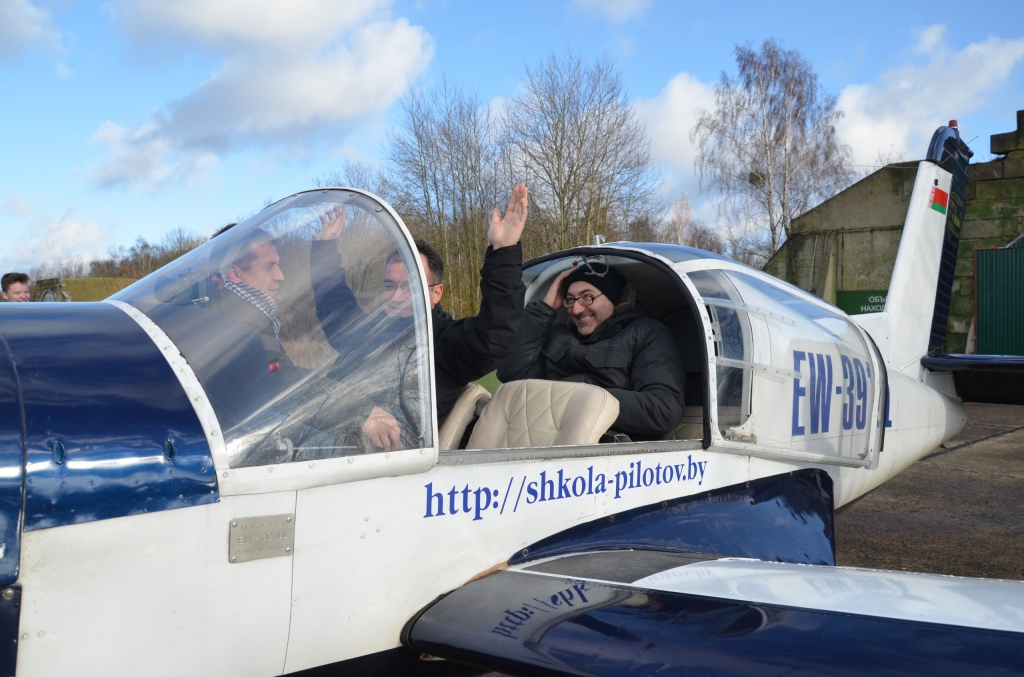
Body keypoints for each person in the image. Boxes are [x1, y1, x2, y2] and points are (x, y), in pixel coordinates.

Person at [310, 184, 529, 452]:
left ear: (437, 293)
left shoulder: (445, 341)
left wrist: (504, 252)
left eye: (411, 287)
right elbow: (335, 306)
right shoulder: (367, 334)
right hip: (321, 433)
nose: (397, 296)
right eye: (390, 286)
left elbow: (497, 336)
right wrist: (324, 248)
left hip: (380, 462)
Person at [497, 262, 685, 440]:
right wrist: (543, 311)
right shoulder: (557, 335)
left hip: (608, 454)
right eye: (570, 300)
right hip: (544, 442)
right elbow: (512, 376)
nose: (577, 309)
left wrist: (576, 400)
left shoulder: (646, 334)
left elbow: (662, 410)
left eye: (588, 297)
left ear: (614, 297)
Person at [217, 229, 302, 387]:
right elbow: (286, 385)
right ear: (235, 273)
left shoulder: (253, 317)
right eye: (269, 267)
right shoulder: (247, 331)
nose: (280, 276)